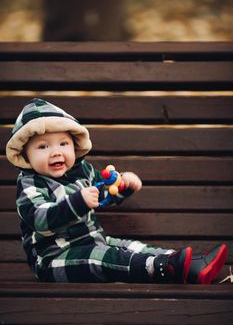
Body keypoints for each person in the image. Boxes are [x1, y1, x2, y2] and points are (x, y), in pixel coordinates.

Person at [6, 98, 227, 284]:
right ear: (26, 155)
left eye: (63, 144)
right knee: (104, 258)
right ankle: (164, 268)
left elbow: (102, 194)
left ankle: (188, 264)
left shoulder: (82, 170)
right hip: (54, 257)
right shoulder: (30, 183)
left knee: (130, 246)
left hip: (93, 240)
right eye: (43, 146)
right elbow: (39, 219)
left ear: (74, 146)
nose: (56, 152)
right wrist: (78, 202)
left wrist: (122, 187)